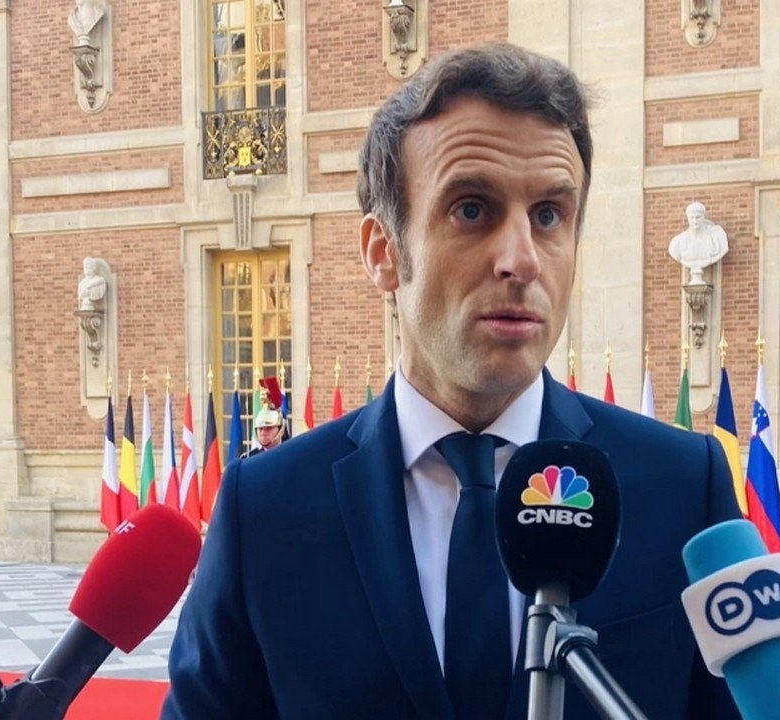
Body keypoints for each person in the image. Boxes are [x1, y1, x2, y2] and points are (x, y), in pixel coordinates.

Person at [163, 43, 741, 720]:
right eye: (472, 210)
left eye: (549, 215)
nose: (523, 259)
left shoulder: (683, 486)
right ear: (384, 252)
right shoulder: (264, 512)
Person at [668, 201, 729, 285]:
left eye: (698, 217)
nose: (695, 221)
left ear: (703, 217)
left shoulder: (716, 237)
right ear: (688, 219)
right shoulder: (678, 242)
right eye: (692, 218)